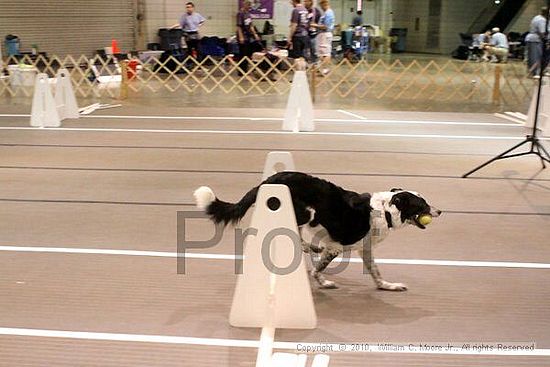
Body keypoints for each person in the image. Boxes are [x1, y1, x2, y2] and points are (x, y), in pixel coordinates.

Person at [236, 0, 261, 75]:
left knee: (248, 53)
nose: (250, 7)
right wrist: (241, 37)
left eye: (251, 5)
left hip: (248, 36)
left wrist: (255, 34)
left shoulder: (248, 14)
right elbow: (239, 26)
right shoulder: (240, 13)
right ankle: (241, 71)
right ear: (245, 5)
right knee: (242, 54)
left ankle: (246, 69)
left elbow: (251, 25)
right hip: (242, 36)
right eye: (249, 5)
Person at [312, 0, 335, 74]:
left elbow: (325, 26)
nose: (321, 7)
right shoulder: (326, 13)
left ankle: (325, 69)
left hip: (325, 34)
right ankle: (321, 68)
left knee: (326, 53)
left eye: (321, 5)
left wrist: (315, 25)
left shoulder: (328, 13)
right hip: (322, 35)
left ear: (324, 4)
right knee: (321, 52)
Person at [525, 7, 549, 76]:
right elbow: (542, 32)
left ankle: (533, 71)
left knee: (532, 57)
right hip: (536, 39)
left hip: (532, 38)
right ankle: (535, 73)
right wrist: (546, 41)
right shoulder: (542, 20)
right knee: (536, 57)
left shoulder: (537, 17)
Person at [305, 0, 322, 64]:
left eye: (307, 1)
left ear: (311, 2)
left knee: (314, 52)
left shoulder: (316, 11)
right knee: (304, 52)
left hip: (314, 35)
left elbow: (320, 23)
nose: (305, 2)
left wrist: (315, 26)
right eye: (304, 1)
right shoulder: (303, 11)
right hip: (304, 35)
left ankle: (315, 67)